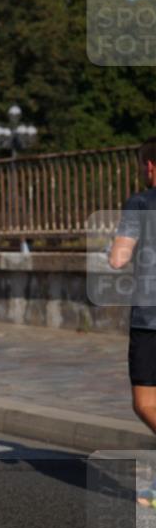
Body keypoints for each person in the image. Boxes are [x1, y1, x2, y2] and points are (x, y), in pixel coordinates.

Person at [110, 136, 156, 443]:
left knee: (146, 402)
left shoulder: (140, 203)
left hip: (150, 320)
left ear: (150, 166)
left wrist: (114, 247)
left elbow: (118, 258)